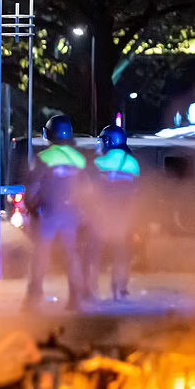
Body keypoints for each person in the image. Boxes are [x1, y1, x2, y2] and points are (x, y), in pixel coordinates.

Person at [23, 115, 89, 311]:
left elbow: (32, 187)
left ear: (48, 134)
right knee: (72, 255)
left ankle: (32, 301)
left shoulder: (44, 158)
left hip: (48, 214)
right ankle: (76, 300)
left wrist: (32, 208)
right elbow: (87, 190)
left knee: (41, 256)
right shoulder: (78, 159)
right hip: (71, 215)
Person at [84, 125, 141, 301]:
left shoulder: (97, 164)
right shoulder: (132, 164)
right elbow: (137, 193)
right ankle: (120, 290)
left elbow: (87, 192)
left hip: (99, 218)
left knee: (93, 255)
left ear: (109, 142)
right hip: (123, 219)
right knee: (122, 255)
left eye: (102, 140)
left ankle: (90, 290)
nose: (99, 144)